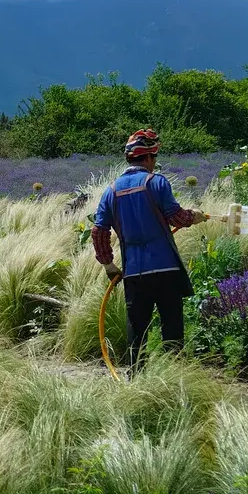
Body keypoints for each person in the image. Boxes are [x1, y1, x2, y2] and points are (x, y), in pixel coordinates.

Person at [92, 129, 206, 366]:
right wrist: (194, 216)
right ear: (149, 158)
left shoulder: (110, 191)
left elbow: (99, 231)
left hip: (134, 273)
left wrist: (109, 265)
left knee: (137, 331)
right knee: (172, 330)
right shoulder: (157, 183)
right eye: (154, 158)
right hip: (166, 269)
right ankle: (174, 377)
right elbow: (177, 218)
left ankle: (135, 381)